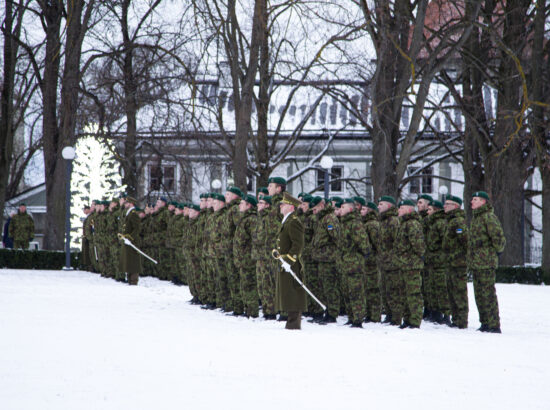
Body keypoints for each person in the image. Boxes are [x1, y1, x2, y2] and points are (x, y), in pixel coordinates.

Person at [468, 191, 506, 333]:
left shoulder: (488, 217)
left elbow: (498, 238)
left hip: (485, 262)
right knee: (479, 294)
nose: (472, 201)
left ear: (483, 202)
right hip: (477, 263)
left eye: (475, 199)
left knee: (488, 294)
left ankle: (493, 324)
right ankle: (485, 322)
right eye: (472, 198)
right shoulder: (476, 218)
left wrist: (494, 253)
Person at [275, 192, 306, 330]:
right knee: (288, 292)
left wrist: (289, 260)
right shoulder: (287, 220)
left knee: (294, 293)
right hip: (285, 262)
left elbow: (298, 244)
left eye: (283, 204)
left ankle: (294, 324)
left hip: (292, 264)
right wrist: (278, 252)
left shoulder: (293, 222)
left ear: (291, 207)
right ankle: (291, 321)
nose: (280, 206)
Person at [395, 200, 425, 329]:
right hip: (404, 264)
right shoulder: (404, 224)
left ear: (408, 210)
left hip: (411, 265)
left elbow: (418, 245)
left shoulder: (412, 224)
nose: (398, 211)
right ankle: (407, 319)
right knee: (404, 294)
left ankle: (414, 320)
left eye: (401, 208)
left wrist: (413, 258)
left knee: (413, 294)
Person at [442, 195, 469, 329]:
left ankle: (461, 320)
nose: (444, 206)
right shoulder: (450, 220)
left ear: (456, 206)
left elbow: (465, 241)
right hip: (450, 262)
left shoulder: (458, 222)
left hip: (458, 263)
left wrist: (460, 257)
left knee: (459, 292)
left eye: (448, 204)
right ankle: (456, 318)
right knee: (452, 292)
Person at [377, 196, 400, 325]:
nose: (378, 206)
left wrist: (393, 258)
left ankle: (396, 316)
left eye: (381, 204)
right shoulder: (383, 221)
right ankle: (389, 314)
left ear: (389, 206)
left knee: (393, 290)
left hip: (392, 262)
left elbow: (397, 242)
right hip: (384, 262)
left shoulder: (393, 221)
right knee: (385, 290)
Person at [119, 196, 142, 285]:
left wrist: (130, 238)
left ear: (131, 204)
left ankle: (133, 280)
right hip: (128, 241)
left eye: (126, 203)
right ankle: (130, 279)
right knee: (128, 260)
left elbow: (137, 229)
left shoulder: (133, 214)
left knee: (133, 261)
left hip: (133, 242)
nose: (125, 205)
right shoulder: (129, 213)